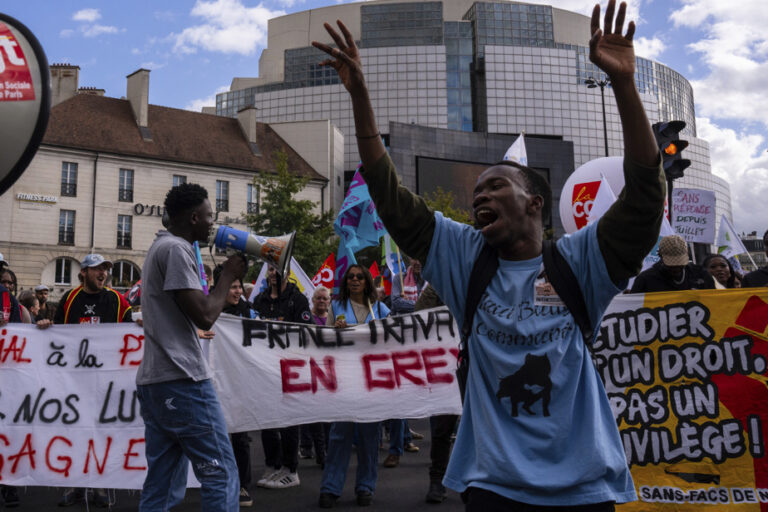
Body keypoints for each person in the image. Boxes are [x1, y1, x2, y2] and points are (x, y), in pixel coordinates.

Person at [313, 1, 664, 508]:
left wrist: (625, 87)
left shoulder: (580, 262)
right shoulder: (464, 258)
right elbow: (390, 197)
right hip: (492, 485)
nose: (479, 196)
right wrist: (360, 97)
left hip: (584, 487)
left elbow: (646, 197)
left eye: (495, 185)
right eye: (476, 192)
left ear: (535, 204)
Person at [135, 183, 246, 511]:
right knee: (220, 474)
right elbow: (205, 315)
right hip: (182, 380)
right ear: (194, 217)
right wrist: (227, 276)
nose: (213, 223)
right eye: (210, 216)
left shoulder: (161, 247)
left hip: (156, 382)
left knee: (163, 482)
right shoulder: (176, 249)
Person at [36, 253, 132, 507]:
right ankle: (74, 483)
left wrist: (141, 322)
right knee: (75, 431)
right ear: (84, 273)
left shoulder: (116, 299)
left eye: (106, 269)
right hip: (76, 381)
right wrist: (45, 326)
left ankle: (99, 484)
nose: (103, 273)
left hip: (107, 380)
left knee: (102, 432)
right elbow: (58, 333)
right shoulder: (70, 298)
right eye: (97, 269)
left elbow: (131, 324)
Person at [319, 265, 390, 508]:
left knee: (370, 436)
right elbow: (322, 341)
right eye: (351, 277)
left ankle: (365, 487)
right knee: (340, 434)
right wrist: (333, 333)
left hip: (372, 381)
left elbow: (393, 338)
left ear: (367, 281)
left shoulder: (380, 309)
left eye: (360, 277)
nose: (355, 280)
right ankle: (330, 488)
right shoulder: (335, 307)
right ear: (346, 282)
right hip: (345, 378)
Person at [252, 265, 312, 489]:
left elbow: (307, 331)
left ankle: (291, 469)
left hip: (288, 367)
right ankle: (273, 465)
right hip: (265, 369)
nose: (273, 273)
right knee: (267, 419)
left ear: (286, 273)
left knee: (288, 420)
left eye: (277, 269)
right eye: (270, 269)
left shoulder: (297, 300)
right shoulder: (260, 300)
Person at [217, 274, 256, 507]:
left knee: (240, 436)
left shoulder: (248, 311)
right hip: (216, 379)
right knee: (216, 435)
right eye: (232, 287)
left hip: (240, 380)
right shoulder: (209, 309)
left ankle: (242, 484)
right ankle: (219, 482)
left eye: (239, 286)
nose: (237, 291)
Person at [299, 286, 333, 467]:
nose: (321, 301)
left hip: (328, 371)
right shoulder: (307, 318)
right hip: (310, 369)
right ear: (313, 300)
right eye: (318, 298)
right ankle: (318, 452)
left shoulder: (333, 320)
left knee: (327, 415)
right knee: (313, 413)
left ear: (329, 302)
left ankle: (327, 449)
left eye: (324, 299)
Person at [630, 235, 715, 292]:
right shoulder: (645, 280)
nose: (676, 267)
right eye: (671, 263)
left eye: (680, 262)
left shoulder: (701, 274)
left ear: (687, 254)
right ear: (660, 255)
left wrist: (701, 298)